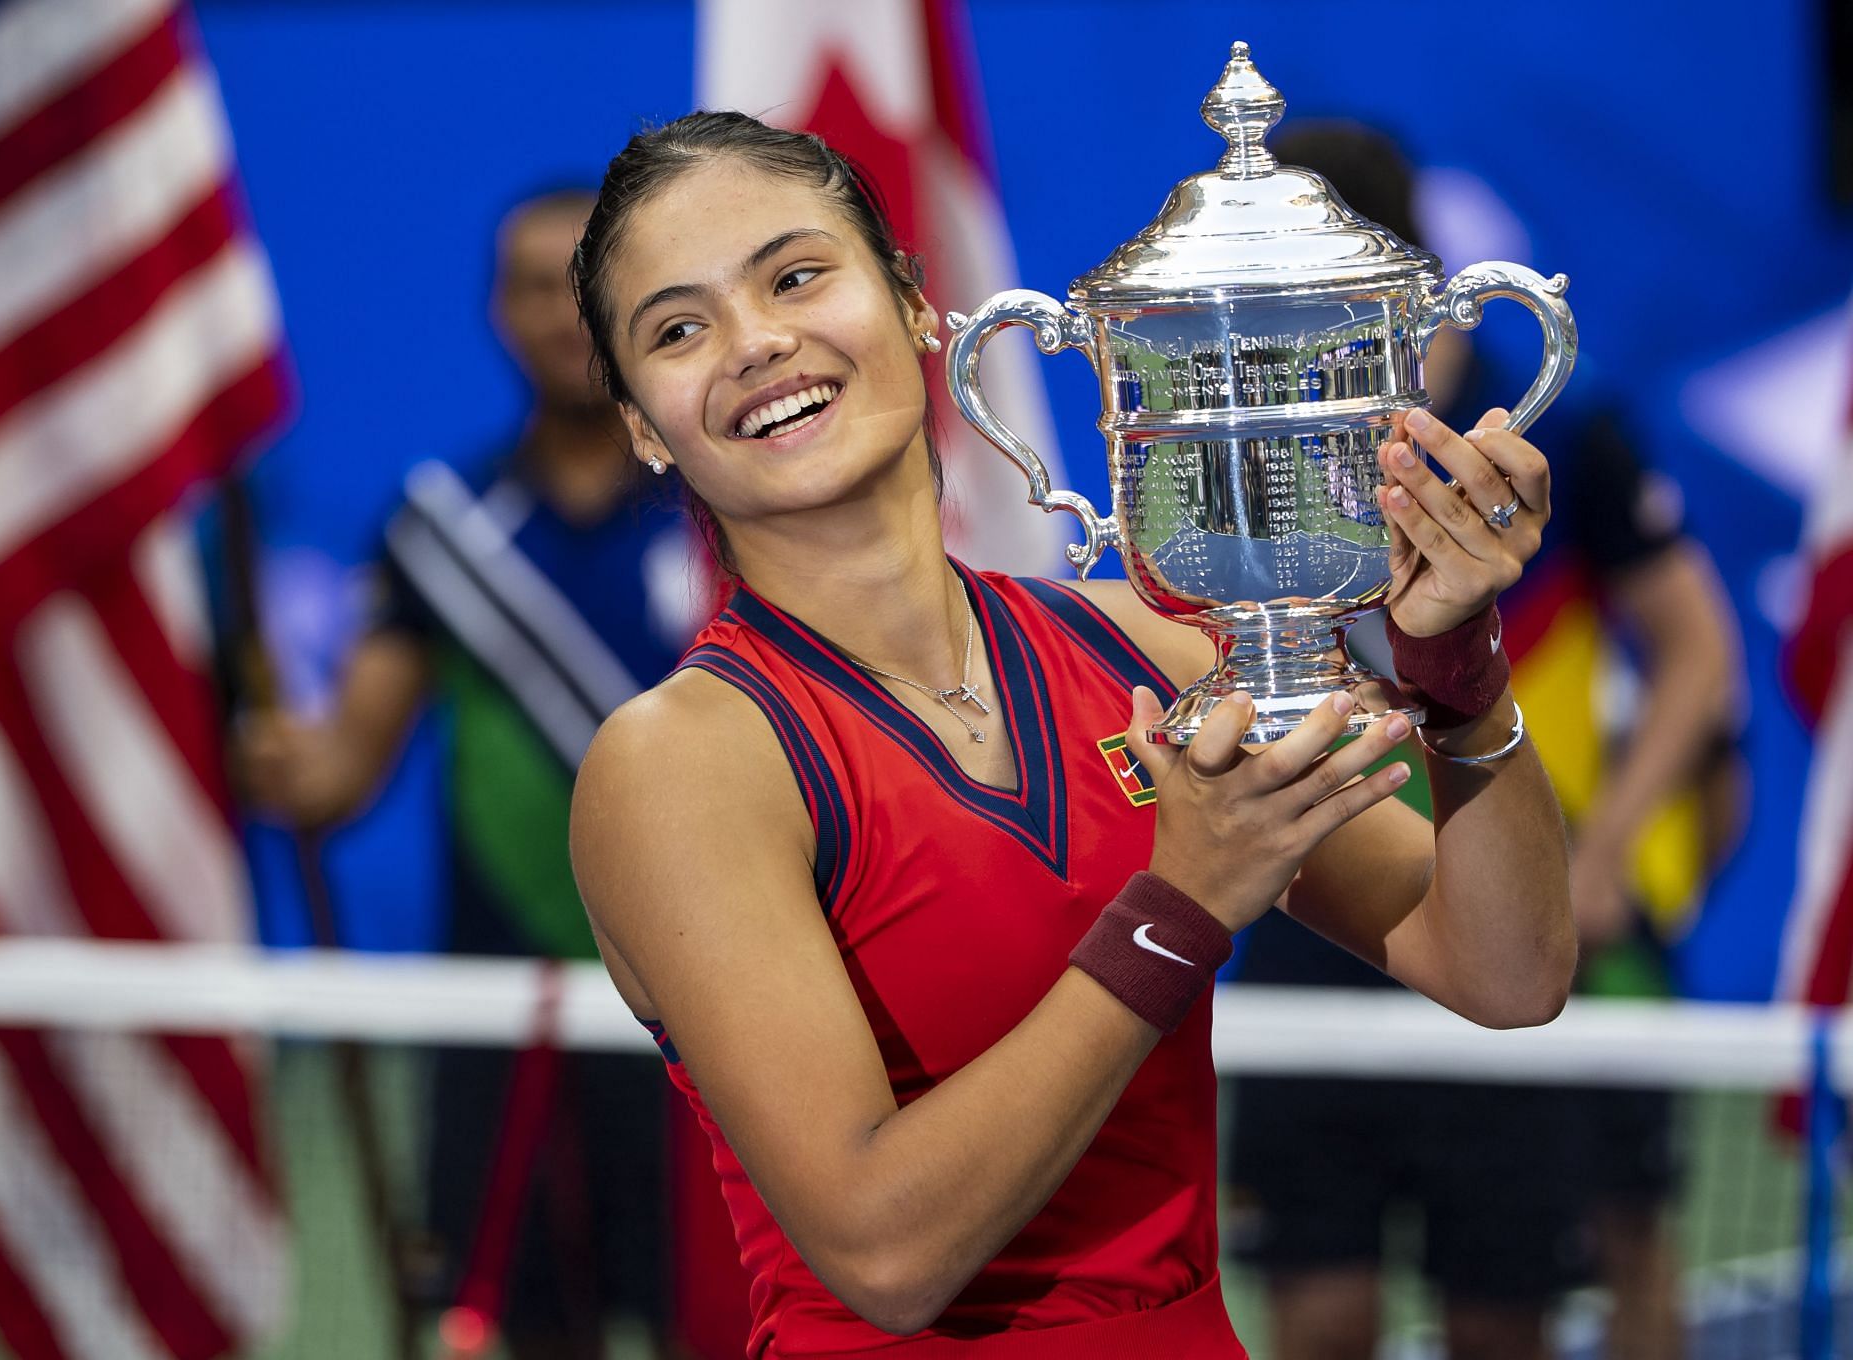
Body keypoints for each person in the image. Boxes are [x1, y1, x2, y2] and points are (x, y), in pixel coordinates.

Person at [564, 110, 1576, 1357]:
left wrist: (1457, 667)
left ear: (917, 303)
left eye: (796, 275)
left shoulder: (1145, 644)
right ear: (643, 428)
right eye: (679, 328)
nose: (758, 341)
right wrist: (1181, 903)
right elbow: (886, 1251)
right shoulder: (678, 761)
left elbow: (1507, 972)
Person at [1225, 123, 1744, 1360]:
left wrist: (1609, 848)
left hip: (1521, 894)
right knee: (1320, 1307)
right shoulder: (1250, 444)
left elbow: (1703, 654)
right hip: (1326, 909)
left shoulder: (1554, 425)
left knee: (1517, 1304)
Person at [238, 188, 699, 1359]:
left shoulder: (730, 512)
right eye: (533, 285)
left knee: (729, 1321)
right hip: (509, 1025)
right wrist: (289, 764)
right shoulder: (443, 530)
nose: (561, 314)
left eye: (583, 284)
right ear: (497, 311)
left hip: (719, 1012)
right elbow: (341, 774)